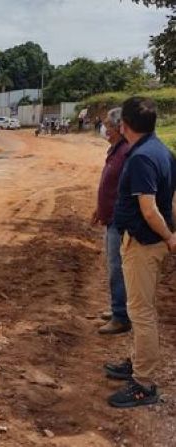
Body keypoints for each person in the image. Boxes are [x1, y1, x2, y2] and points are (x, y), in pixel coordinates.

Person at [105, 97, 176, 408]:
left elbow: (149, 210)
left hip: (145, 245)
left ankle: (144, 384)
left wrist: (169, 237)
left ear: (125, 125)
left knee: (141, 313)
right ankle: (137, 362)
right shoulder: (161, 151)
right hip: (147, 241)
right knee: (141, 307)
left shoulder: (142, 158)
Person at [92, 108, 132, 335]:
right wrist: (100, 207)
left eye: (108, 125)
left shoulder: (126, 152)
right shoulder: (116, 150)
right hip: (110, 217)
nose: (105, 129)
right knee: (114, 266)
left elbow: (125, 190)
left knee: (117, 268)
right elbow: (110, 184)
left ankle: (121, 316)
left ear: (119, 127)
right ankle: (118, 307)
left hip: (119, 220)